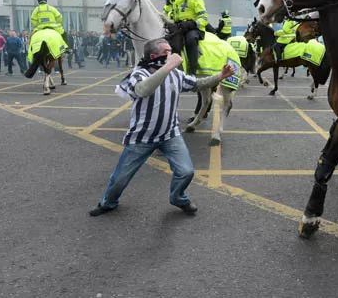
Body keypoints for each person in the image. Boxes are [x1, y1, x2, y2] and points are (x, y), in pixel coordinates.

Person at [89, 38, 235, 217]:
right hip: (142, 137)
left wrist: (220, 76)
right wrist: (168, 67)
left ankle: (178, 198)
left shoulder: (176, 74)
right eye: (167, 52)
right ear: (153, 56)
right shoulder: (139, 74)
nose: (172, 54)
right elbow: (143, 90)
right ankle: (108, 202)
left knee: (186, 172)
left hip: (170, 134)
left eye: (171, 51)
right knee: (120, 178)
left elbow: (197, 84)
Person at [163, 0, 209, 75]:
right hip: (178, 27)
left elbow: (204, 17)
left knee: (191, 39)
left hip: (193, 28)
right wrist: (167, 6)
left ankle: (193, 70)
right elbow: (166, 14)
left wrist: (192, 24)